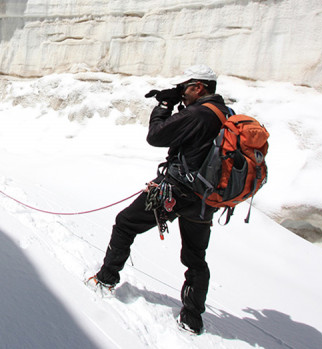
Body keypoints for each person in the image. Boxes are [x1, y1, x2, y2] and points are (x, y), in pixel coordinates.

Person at [89, 65, 229, 335]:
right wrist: (179, 102)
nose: (182, 93)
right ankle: (192, 319)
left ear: (199, 87)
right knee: (195, 257)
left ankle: (106, 279)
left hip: (175, 192)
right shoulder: (224, 113)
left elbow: (156, 136)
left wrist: (165, 104)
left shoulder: (199, 113)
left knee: (126, 223)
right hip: (206, 199)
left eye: (185, 87)